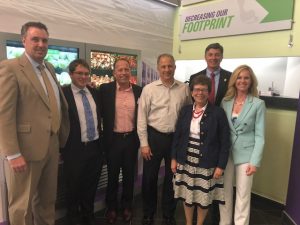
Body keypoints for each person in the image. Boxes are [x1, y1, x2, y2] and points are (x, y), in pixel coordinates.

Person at [0, 21, 70, 225]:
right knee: (21, 206)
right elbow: (4, 114)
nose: (41, 44)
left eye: (45, 40)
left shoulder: (48, 67)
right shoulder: (10, 68)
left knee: (47, 201)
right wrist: (13, 154)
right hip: (24, 151)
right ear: (23, 40)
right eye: (35, 39)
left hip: (51, 145)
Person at [137, 53, 191, 225]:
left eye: (170, 66)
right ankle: (148, 212)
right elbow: (141, 118)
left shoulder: (184, 88)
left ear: (174, 67)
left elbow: (188, 114)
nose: (167, 69)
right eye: (163, 66)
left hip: (175, 139)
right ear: (159, 68)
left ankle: (169, 212)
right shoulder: (149, 89)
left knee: (172, 178)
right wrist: (144, 144)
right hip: (154, 137)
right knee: (149, 178)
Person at [171, 75, 230, 225]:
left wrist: (221, 166)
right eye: (196, 89)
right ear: (191, 92)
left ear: (209, 92)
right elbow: (177, 136)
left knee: (203, 198)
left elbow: (225, 142)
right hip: (186, 160)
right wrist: (173, 158)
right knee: (187, 195)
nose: (200, 93)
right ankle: (189, 222)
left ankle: (200, 223)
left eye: (204, 90)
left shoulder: (218, 113)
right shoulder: (185, 111)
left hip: (207, 163)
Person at [220, 65, 266, 225]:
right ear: (234, 81)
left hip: (246, 155)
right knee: (224, 193)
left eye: (246, 77)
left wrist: (255, 161)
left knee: (243, 194)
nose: (242, 81)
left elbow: (260, 136)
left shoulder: (258, 104)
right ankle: (224, 222)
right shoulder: (225, 102)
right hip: (226, 153)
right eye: (239, 77)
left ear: (251, 81)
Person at [99, 58, 142, 224]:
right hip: (113, 140)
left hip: (131, 139)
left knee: (130, 175)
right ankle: (111, 207)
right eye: (120, 70)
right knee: (112, 175)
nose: (123, 73)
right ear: (114, 73)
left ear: (130, 72)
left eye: (126, 69)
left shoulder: (139, 91)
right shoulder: (105, 89)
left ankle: (127, 206)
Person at [61, 59, 103, 225]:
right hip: (74, 149)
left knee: (91, 185)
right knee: (73, 187)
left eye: (86, 73)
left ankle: (88, 215)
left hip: (94, 148)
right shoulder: (63, 94)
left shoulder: (94, 93)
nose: (83, 76)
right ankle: (72, 218)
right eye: (79, 73)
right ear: (71, 74)